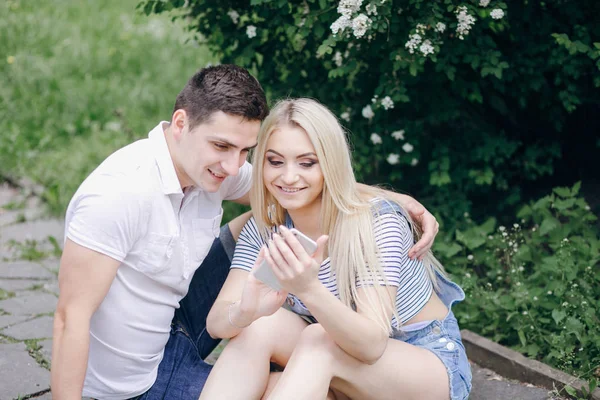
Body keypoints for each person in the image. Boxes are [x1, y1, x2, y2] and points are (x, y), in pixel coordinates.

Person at [51, 66, 440, 400]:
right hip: (130, 379)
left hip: (180, 324)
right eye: (221, 145)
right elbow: (70, 318)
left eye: (244, 151)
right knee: (266, 247)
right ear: (181, 124)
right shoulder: (119, 194)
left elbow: (298, 182)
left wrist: (391, 200)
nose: (233, 165)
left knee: (272, 224)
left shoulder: (218, 169)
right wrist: (250, 309)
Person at [200, 98, 472, 400]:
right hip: (342, 363)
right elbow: (216, 324)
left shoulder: (375, 223)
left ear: (329, 163)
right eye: (275, 161)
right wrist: (246, 310)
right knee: (259, 327)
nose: (288, 177)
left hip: (423, 362)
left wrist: (308, 289)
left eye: (307, 163)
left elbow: (371, 346)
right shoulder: (267, 229)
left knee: (319, 340)